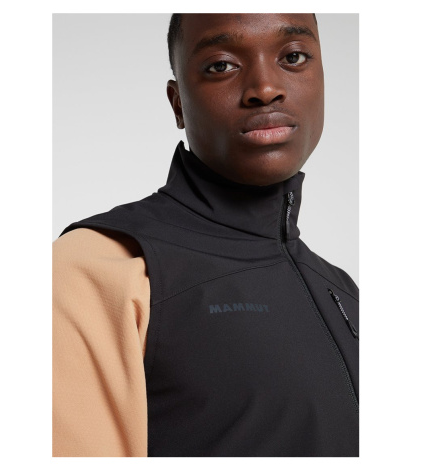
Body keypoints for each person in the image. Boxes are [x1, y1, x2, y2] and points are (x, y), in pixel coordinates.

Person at [53, 13, 359, 457]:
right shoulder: (97, 269)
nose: (265, 88)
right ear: (178, 104)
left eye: (293, 57)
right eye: (221, 65)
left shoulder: (342, 289)